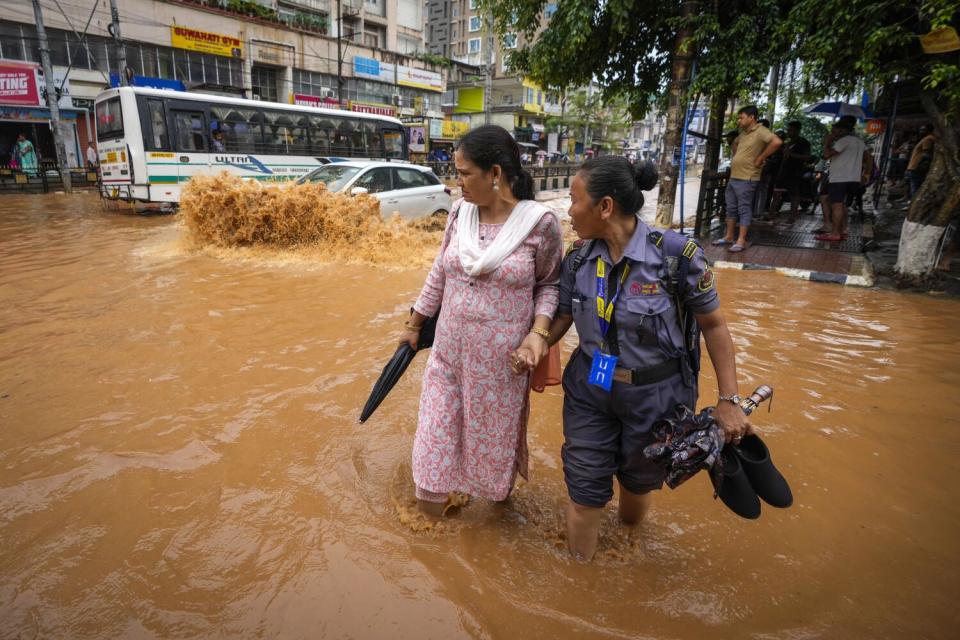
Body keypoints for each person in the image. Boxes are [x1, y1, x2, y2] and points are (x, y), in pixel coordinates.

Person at [533, 156, 752, 561]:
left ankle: (628, 548)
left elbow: (715, 327)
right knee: (585, 491)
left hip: (658, 397)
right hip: (590, 389)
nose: (568, 210)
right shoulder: (578, 259)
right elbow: (562, 315)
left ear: (605, 207)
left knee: (637, 485)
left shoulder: (677, 257)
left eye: (574, 199)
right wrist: (535, 341)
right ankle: (583, 583)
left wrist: (729, 400)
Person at [399, 124, 564, 515]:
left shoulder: (540, 224)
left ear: (495, 174)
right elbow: (439, 272)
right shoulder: (459, 213)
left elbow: (551, 286)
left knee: (492, 457)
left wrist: (537, 334)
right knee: (433, 441)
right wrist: (414, 324)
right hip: (448, 356)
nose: (457, 183)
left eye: (465, 173)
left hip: (501, 369)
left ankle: (486, 542)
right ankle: (429, 533)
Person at [713, 105, 782, 252]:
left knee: (743, 209)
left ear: (751, 118)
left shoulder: (761, 131)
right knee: (730, 208)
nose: (739, 120)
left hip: (748, 177)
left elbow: (777, 142)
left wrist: (761, 158)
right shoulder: (743, 133)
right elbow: (735, 143)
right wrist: (737, 156)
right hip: (734, 176)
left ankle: (741, 240)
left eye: (741, 117)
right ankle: (729, 236)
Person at [817, 116, 865, 242]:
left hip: (840, 177)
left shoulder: (843, 141)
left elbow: (826, 155)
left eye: (835, 131)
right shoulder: (859, 141)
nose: (833, 133)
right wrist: (866, 174)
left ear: (841, 130)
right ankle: (842, 230)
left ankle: (835, 233)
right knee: (842, 204)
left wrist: (827, 142)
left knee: (837, 205)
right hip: (853, 178)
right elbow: (868, 158)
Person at [768, 121, 812, 217]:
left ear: (797, 130)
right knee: (776, 193)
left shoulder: (803, 143)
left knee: (794, 195)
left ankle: (792, 217)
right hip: (783, 172)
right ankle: (770, 214)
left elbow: (807, 157)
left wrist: (791, 155)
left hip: (794, 172)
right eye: (788, 130)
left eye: (791, 130)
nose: (789, 132)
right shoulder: (788, 143)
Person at [906, 124, 936, 199]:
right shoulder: (925, 138)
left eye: (923, 130)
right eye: (920, 129)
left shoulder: (928, 139)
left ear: (929, 130)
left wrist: (922, 165)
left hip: (917, 167)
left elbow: (927, 154)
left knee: (915, 188)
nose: (921, 131)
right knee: (913, 187)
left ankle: (914, 203)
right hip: (913, 166)